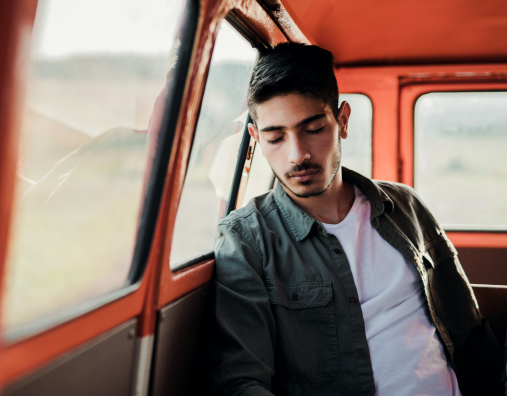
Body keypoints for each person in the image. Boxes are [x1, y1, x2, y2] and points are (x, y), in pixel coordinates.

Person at [205, 43, 504, 395]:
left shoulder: (406, 207)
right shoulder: (246, 240)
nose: (297, 154)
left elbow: (470, 331)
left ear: (342, 121)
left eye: (313, 129)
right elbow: (240, 382)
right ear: (255, 139)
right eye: (275, 137)